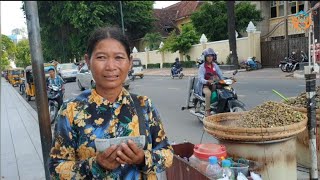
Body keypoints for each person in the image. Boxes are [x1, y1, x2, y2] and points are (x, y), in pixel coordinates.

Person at [48, 26, 173, 179]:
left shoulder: (144, 105)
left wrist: (143, 159)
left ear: (130, 62)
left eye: (119, 57)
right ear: (88, 61)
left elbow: (167, 154)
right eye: (101, 57)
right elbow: (56, 168)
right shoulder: (71, 110)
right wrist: (95, 165)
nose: (110, 66)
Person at [195, 48, 223, 117]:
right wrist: (207, 81)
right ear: (205, 57)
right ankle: (207, 110)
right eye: (208, 56)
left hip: (215, 84)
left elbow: (220, 74)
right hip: (205, 86)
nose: (210, 58)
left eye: (211, 56)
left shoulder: (215, 65)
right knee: (208, 93)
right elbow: (200, 78)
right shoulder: (202, 67)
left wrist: (223, 80)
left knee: (223, 91)